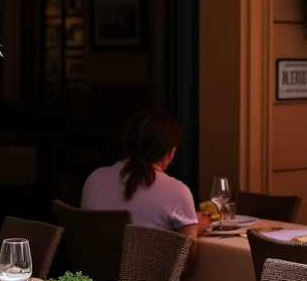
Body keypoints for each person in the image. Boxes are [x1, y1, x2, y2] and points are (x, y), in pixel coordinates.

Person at [81, 110, 210, 257]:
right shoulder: (177, 191)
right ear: (171, 153)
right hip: (147, 280)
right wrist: (195, 229)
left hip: (94, 278)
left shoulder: (95, 179)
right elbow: (186, 263)